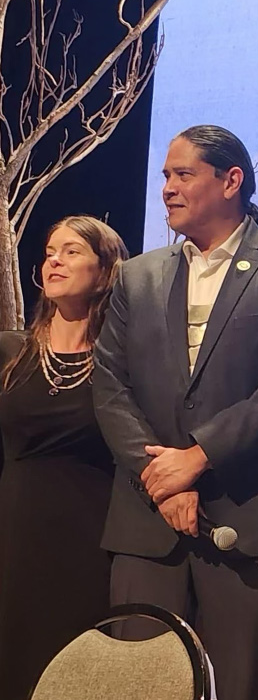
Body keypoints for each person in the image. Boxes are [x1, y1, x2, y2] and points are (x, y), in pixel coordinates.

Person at [92, 124, 258, 700]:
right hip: (149, 518)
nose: (168, 188)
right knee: (140, 682)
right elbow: (110, 384)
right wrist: (165, 481)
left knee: (245, 684)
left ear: (231, 181)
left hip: (249, 517)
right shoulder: (138, 275)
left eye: (183, 174)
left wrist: (198, 458)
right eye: (165, 176)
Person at [0, 215, 128, 700]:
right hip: (15, 532)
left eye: (72, 251)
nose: (54, 259)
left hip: (89, 540)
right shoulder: (10, 352)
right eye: (51, 251)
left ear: (105, 269)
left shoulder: (121, 361)